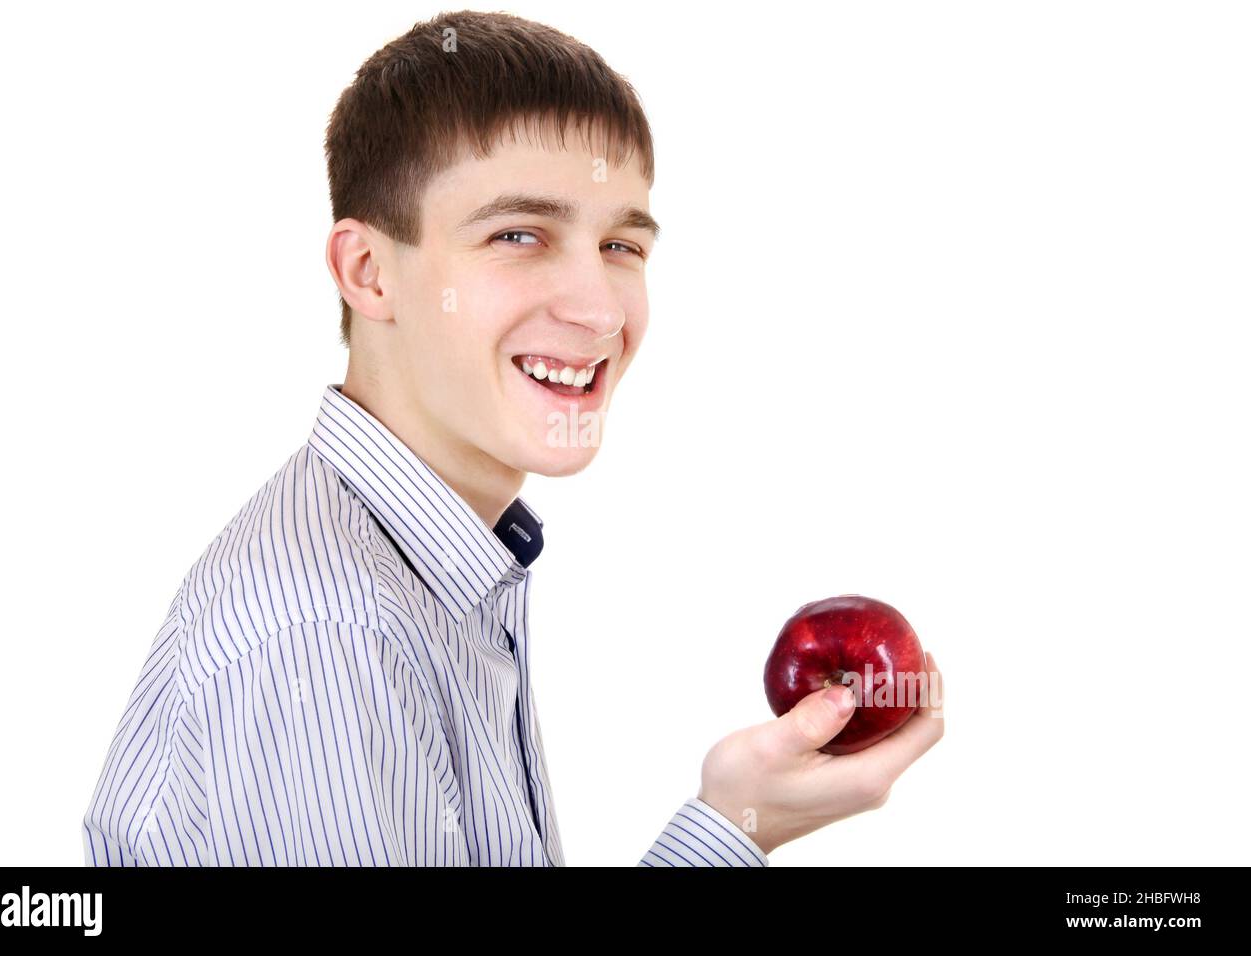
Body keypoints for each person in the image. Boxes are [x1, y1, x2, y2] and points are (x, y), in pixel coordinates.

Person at [82, 9, 944, 867]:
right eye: (518, 235)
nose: (600, 309)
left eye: (619, 244)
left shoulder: (440, 562)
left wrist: (738, 819)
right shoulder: (330, 637)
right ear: (368, 272)